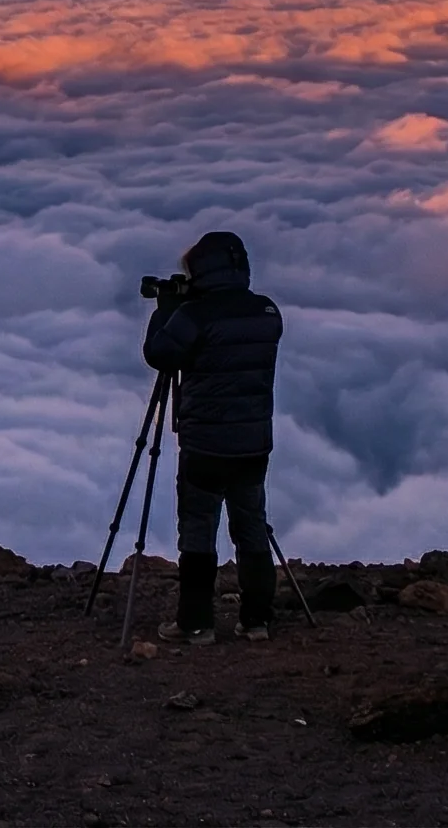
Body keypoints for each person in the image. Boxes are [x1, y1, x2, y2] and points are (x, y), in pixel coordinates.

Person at [143, 230, 284, 643]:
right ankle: (257, 620)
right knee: (252, 528)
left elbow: (160, 354)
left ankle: (196, 624)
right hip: (255, 443)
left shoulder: (195, 316)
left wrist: (166, 311)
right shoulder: (267, 311)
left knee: (199, 529)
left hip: (205, 444)